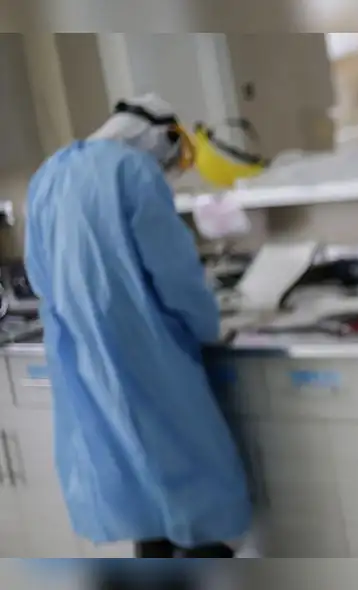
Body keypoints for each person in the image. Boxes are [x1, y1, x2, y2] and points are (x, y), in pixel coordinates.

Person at [24, 94, 252, 559]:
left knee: (139, 493)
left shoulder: (50, 173)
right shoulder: (134, 171)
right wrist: (207, 325)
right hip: (147, 353)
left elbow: (40, 272)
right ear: (159, 139)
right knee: (189, 488)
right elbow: (174, 273)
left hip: (82, 354)